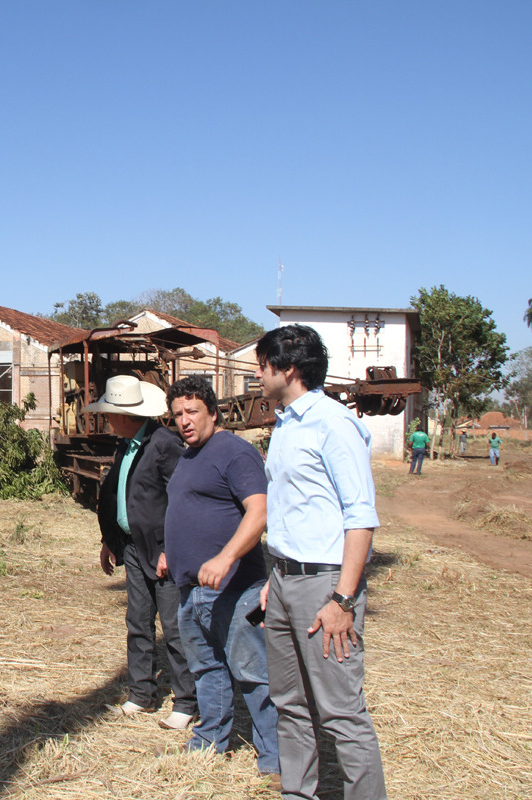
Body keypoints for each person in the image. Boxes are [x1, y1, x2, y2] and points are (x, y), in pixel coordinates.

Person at [255, 325, 387, 800]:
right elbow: (294, 509)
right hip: (286, 580)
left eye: (262, 364)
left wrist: (343, 598)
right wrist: (277, 576)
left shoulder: (333, 423)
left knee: (341, 712)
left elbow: (361, 516)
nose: (257, 372)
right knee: (289, 703)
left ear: (287, 368)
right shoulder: (286, 423)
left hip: (325, 587)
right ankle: (298, 793)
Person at [162, 376, 279, 781]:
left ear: (213, 411)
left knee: (254, 674)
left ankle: (276, 762)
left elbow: (259, 511)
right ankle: (208, 742)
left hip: (234, 588)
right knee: (207, 670)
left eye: (192, 411)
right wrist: (169, 551)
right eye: (177, 414)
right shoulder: (189, 455)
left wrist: (226, 556)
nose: (185, 421)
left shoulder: (235, 452)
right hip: (191, 590)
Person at [86, 375, 197, 730]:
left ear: (122, 414)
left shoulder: (163, 444)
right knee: (138, 621)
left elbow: (182, 499)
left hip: (163, 552)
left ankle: (186, 701)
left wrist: (171, 549)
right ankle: (142, 694)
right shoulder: (126, 445)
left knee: (175, 625)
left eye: (109, 412)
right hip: (133, 547)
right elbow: (123, 495)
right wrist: (110, 539)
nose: (106, 418)